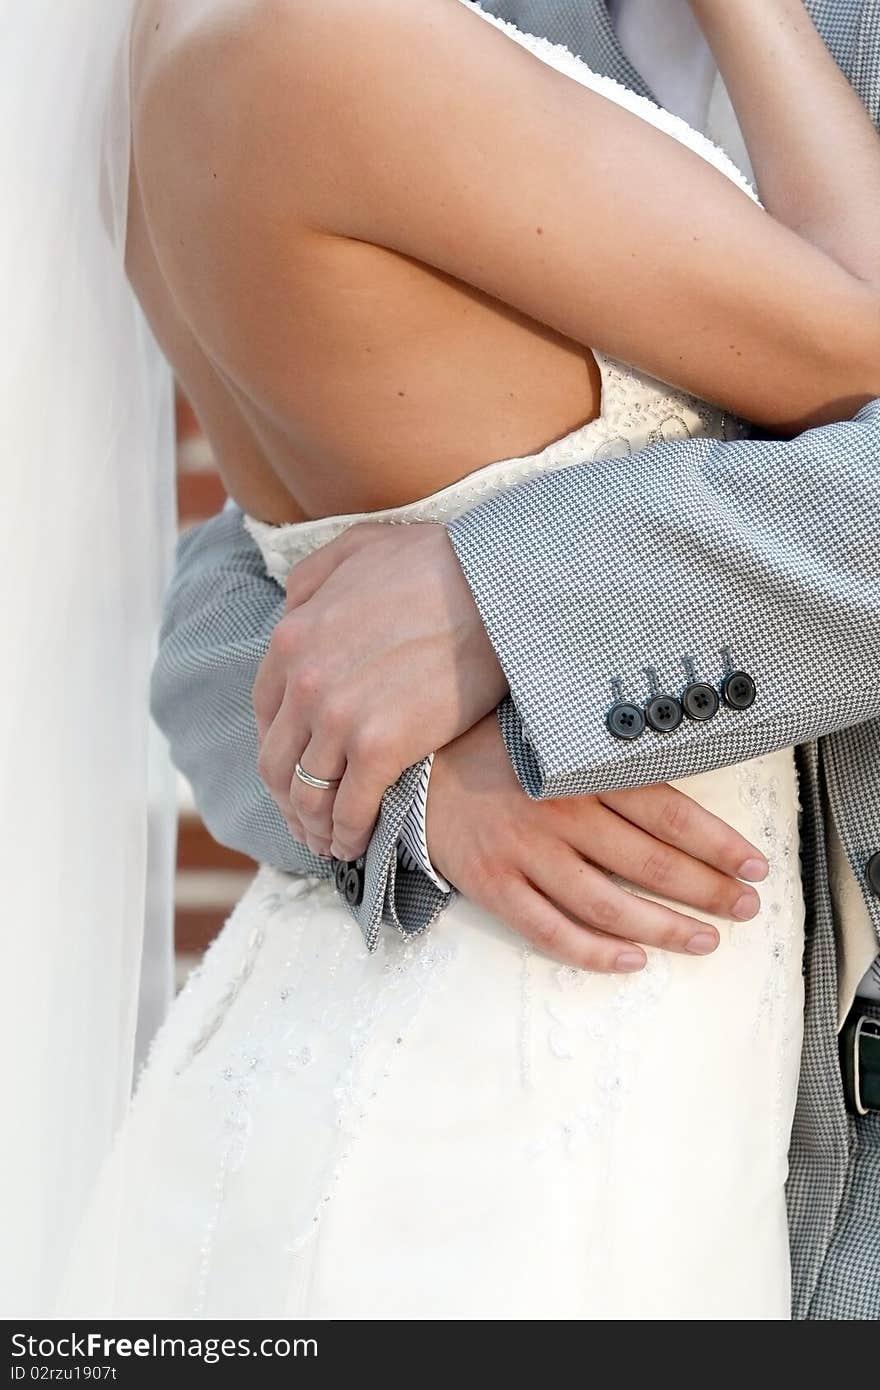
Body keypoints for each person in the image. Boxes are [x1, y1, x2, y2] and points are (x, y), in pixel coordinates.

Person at [63, 0, 879, 1318]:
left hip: (580, 1068)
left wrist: (501, 593)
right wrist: (409, 793)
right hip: (528, 1062)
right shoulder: (359, 38)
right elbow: (238, 602)